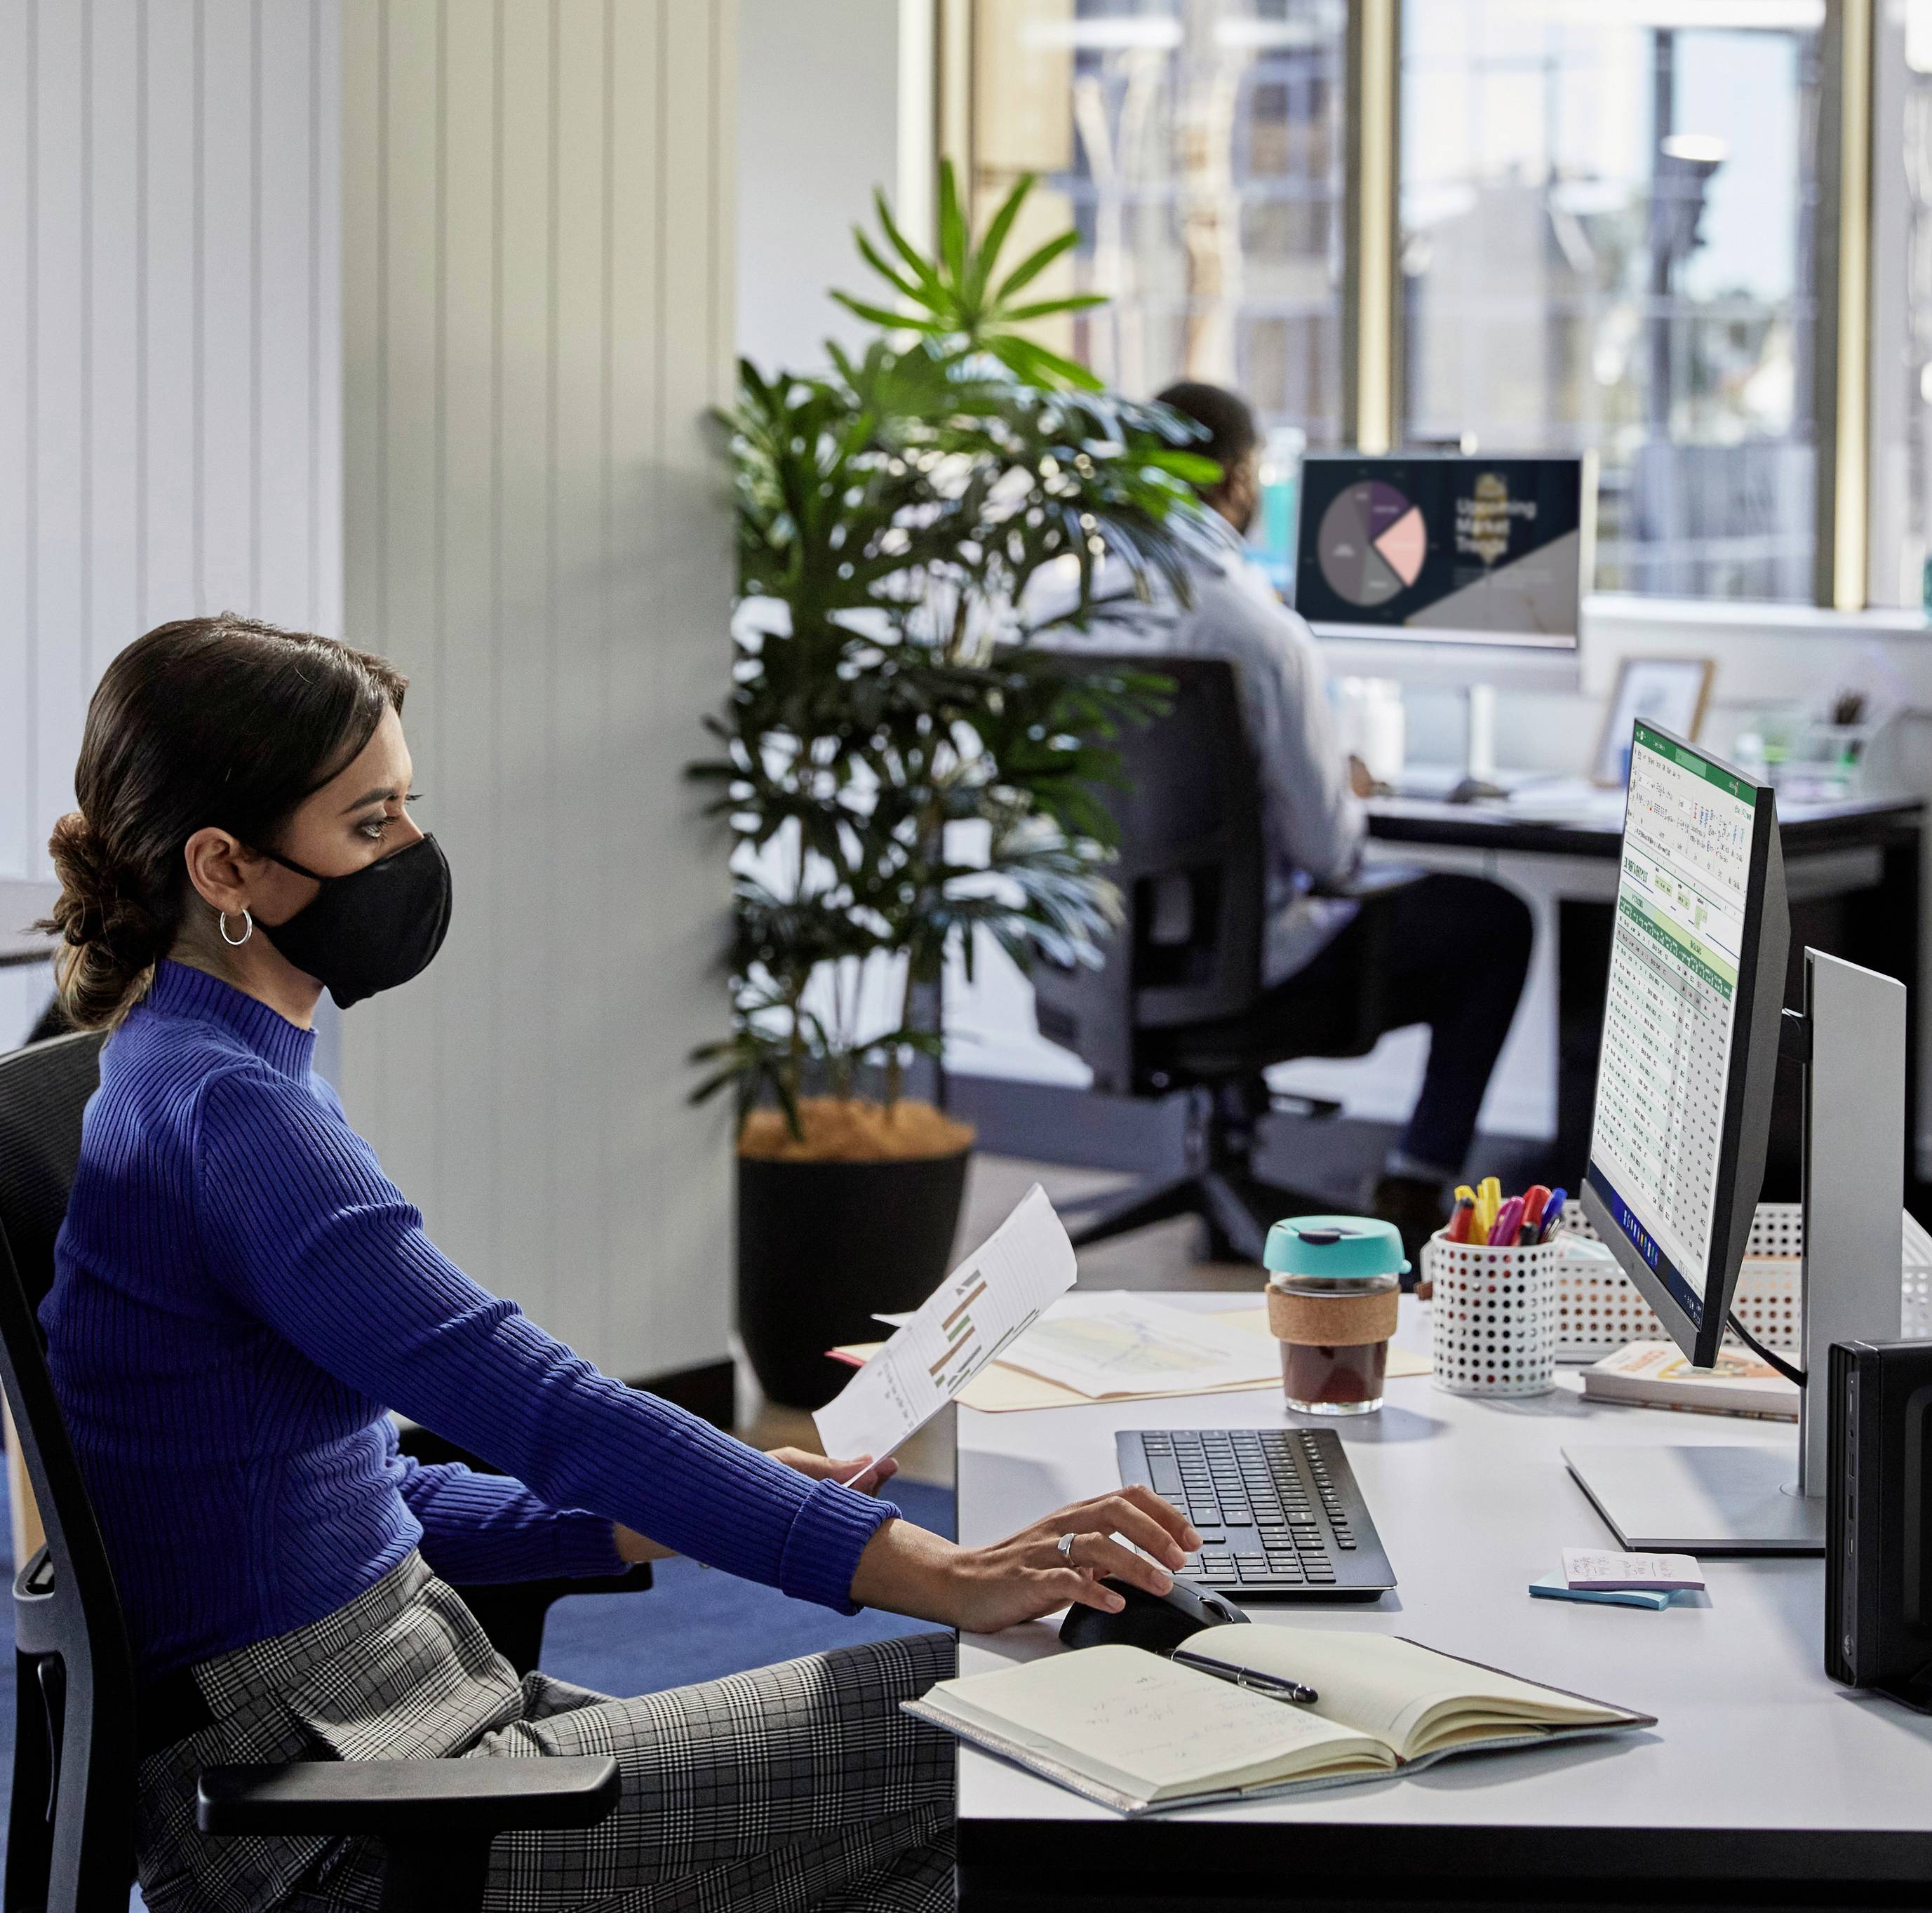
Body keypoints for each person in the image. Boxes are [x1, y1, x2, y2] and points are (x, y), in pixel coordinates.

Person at [40, 615, 1198, 1913]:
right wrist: (933, 1570)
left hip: (400, 1733)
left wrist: (637, 1518)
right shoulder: (233, 1119)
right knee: (1010, 1715)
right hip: (331, 1819)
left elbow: (344, 1504)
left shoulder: (194, 1073)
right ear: (225, 865)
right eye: (371, 825)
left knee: (909, 1817)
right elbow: (540, 1405)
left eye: (409, 807)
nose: (415, 853)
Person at [1037, 382, 1534, 1261]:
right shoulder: (1258, 634)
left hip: (1089, 961)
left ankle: (1259, 1155)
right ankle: (1420, 1179)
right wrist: (1346, 790)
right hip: (1242, 975)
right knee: (1494, 922)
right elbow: (1331, 855)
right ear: (1235, 480)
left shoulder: (1060, 611)